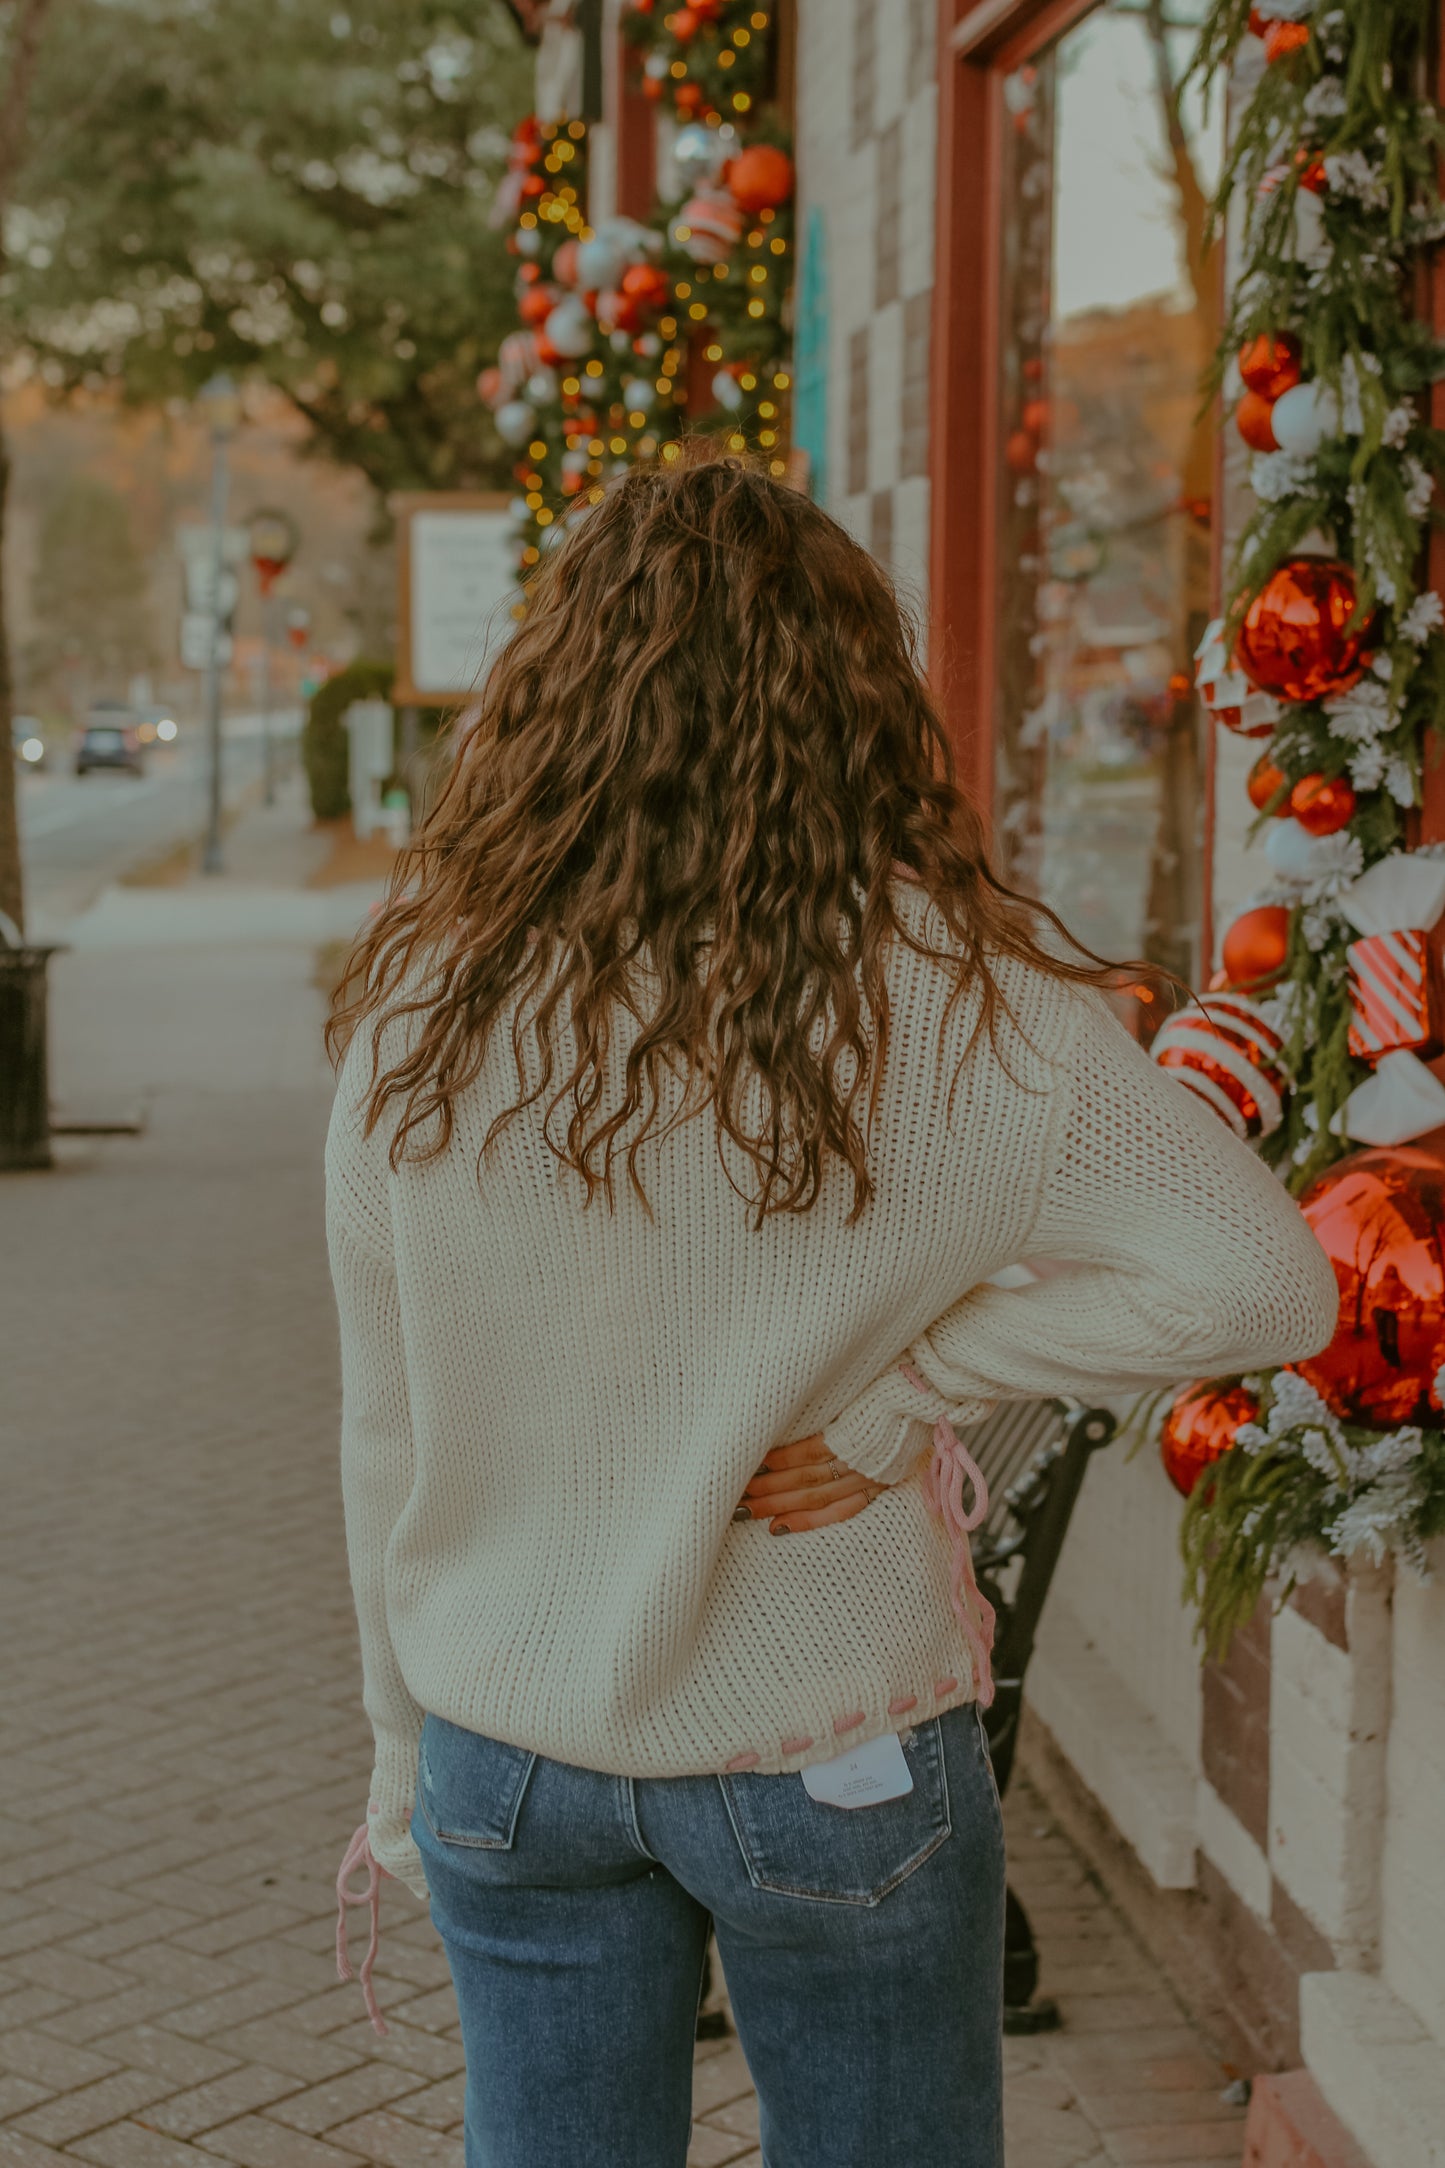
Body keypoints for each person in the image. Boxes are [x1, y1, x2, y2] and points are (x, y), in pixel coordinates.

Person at [324, 458, 1337, 2168]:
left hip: (506, 1746)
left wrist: (392, 1757)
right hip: (832, 1739)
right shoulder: (962, 1005)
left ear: (546, 698)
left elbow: (383, 1430)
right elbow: (1264, 1279)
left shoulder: (422, 1012)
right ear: (859, 699)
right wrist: (909, 1392)